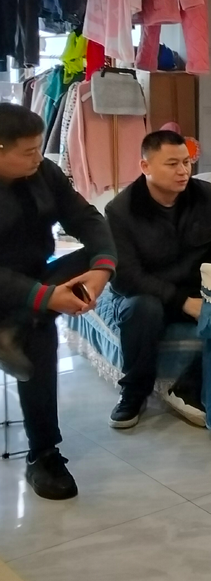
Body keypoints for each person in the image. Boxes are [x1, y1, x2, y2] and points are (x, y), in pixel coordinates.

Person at [0, 103, 117, 500]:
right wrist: (45, 297)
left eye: (39, 148)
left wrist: (101, 271)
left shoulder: (44, 173)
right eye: (28, 151)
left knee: (105, 246)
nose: (39, 156)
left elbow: (86, 219)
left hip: (34, 281)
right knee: (40, 337)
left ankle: (14, 329)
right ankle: (44, 452)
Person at [102, 130, 211, 429]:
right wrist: (183, 302)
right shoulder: (120, 210)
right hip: (147, 292)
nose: (183, 171)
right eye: (172, 164)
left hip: (196, 286)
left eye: (187, 162)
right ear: (145, 166)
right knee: (142, 309)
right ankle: (134, 393)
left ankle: (187, 389)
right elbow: (126, 277)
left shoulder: (205, 194)